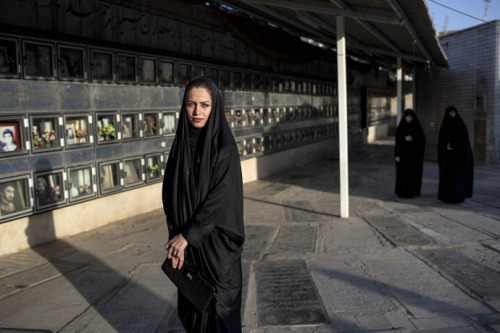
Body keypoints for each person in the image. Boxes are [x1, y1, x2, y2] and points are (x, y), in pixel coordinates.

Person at [162, 76, 245, 332]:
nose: (197, 112)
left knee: (220, 317)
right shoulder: (181, 147)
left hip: (217, 252)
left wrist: (190, 235)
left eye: (205, 105)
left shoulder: (224, 149)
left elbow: (222, 198)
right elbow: (171, 196)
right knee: (193, 313)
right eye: (191, 104)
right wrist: (178, 239)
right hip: (188, 249)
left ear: (215, 106)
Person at [437, 106, 474, 203]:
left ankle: (458, 197)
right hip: (448, 159)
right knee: (448, 179)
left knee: (458, 180)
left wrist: (459, 149)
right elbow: (441, 142)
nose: (452, 115)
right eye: (450, 113)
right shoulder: (444, 126)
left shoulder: (461, 125)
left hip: (458, 158)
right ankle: (447, 197)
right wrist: (446, 147)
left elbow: (465, 141)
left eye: (453, 113)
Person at [394, 109, 425, 198]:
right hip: (403, 156)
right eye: (407, 117)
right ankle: (402, 192)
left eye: (410, 117)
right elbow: (398, 142)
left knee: (412, 174)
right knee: (402, 174)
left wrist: (413, 139)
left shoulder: (417, 127)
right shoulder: (401, 127)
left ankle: (412, 192)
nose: (408, 119)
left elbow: (421, 140)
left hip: (413, 157)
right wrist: (397, 155)